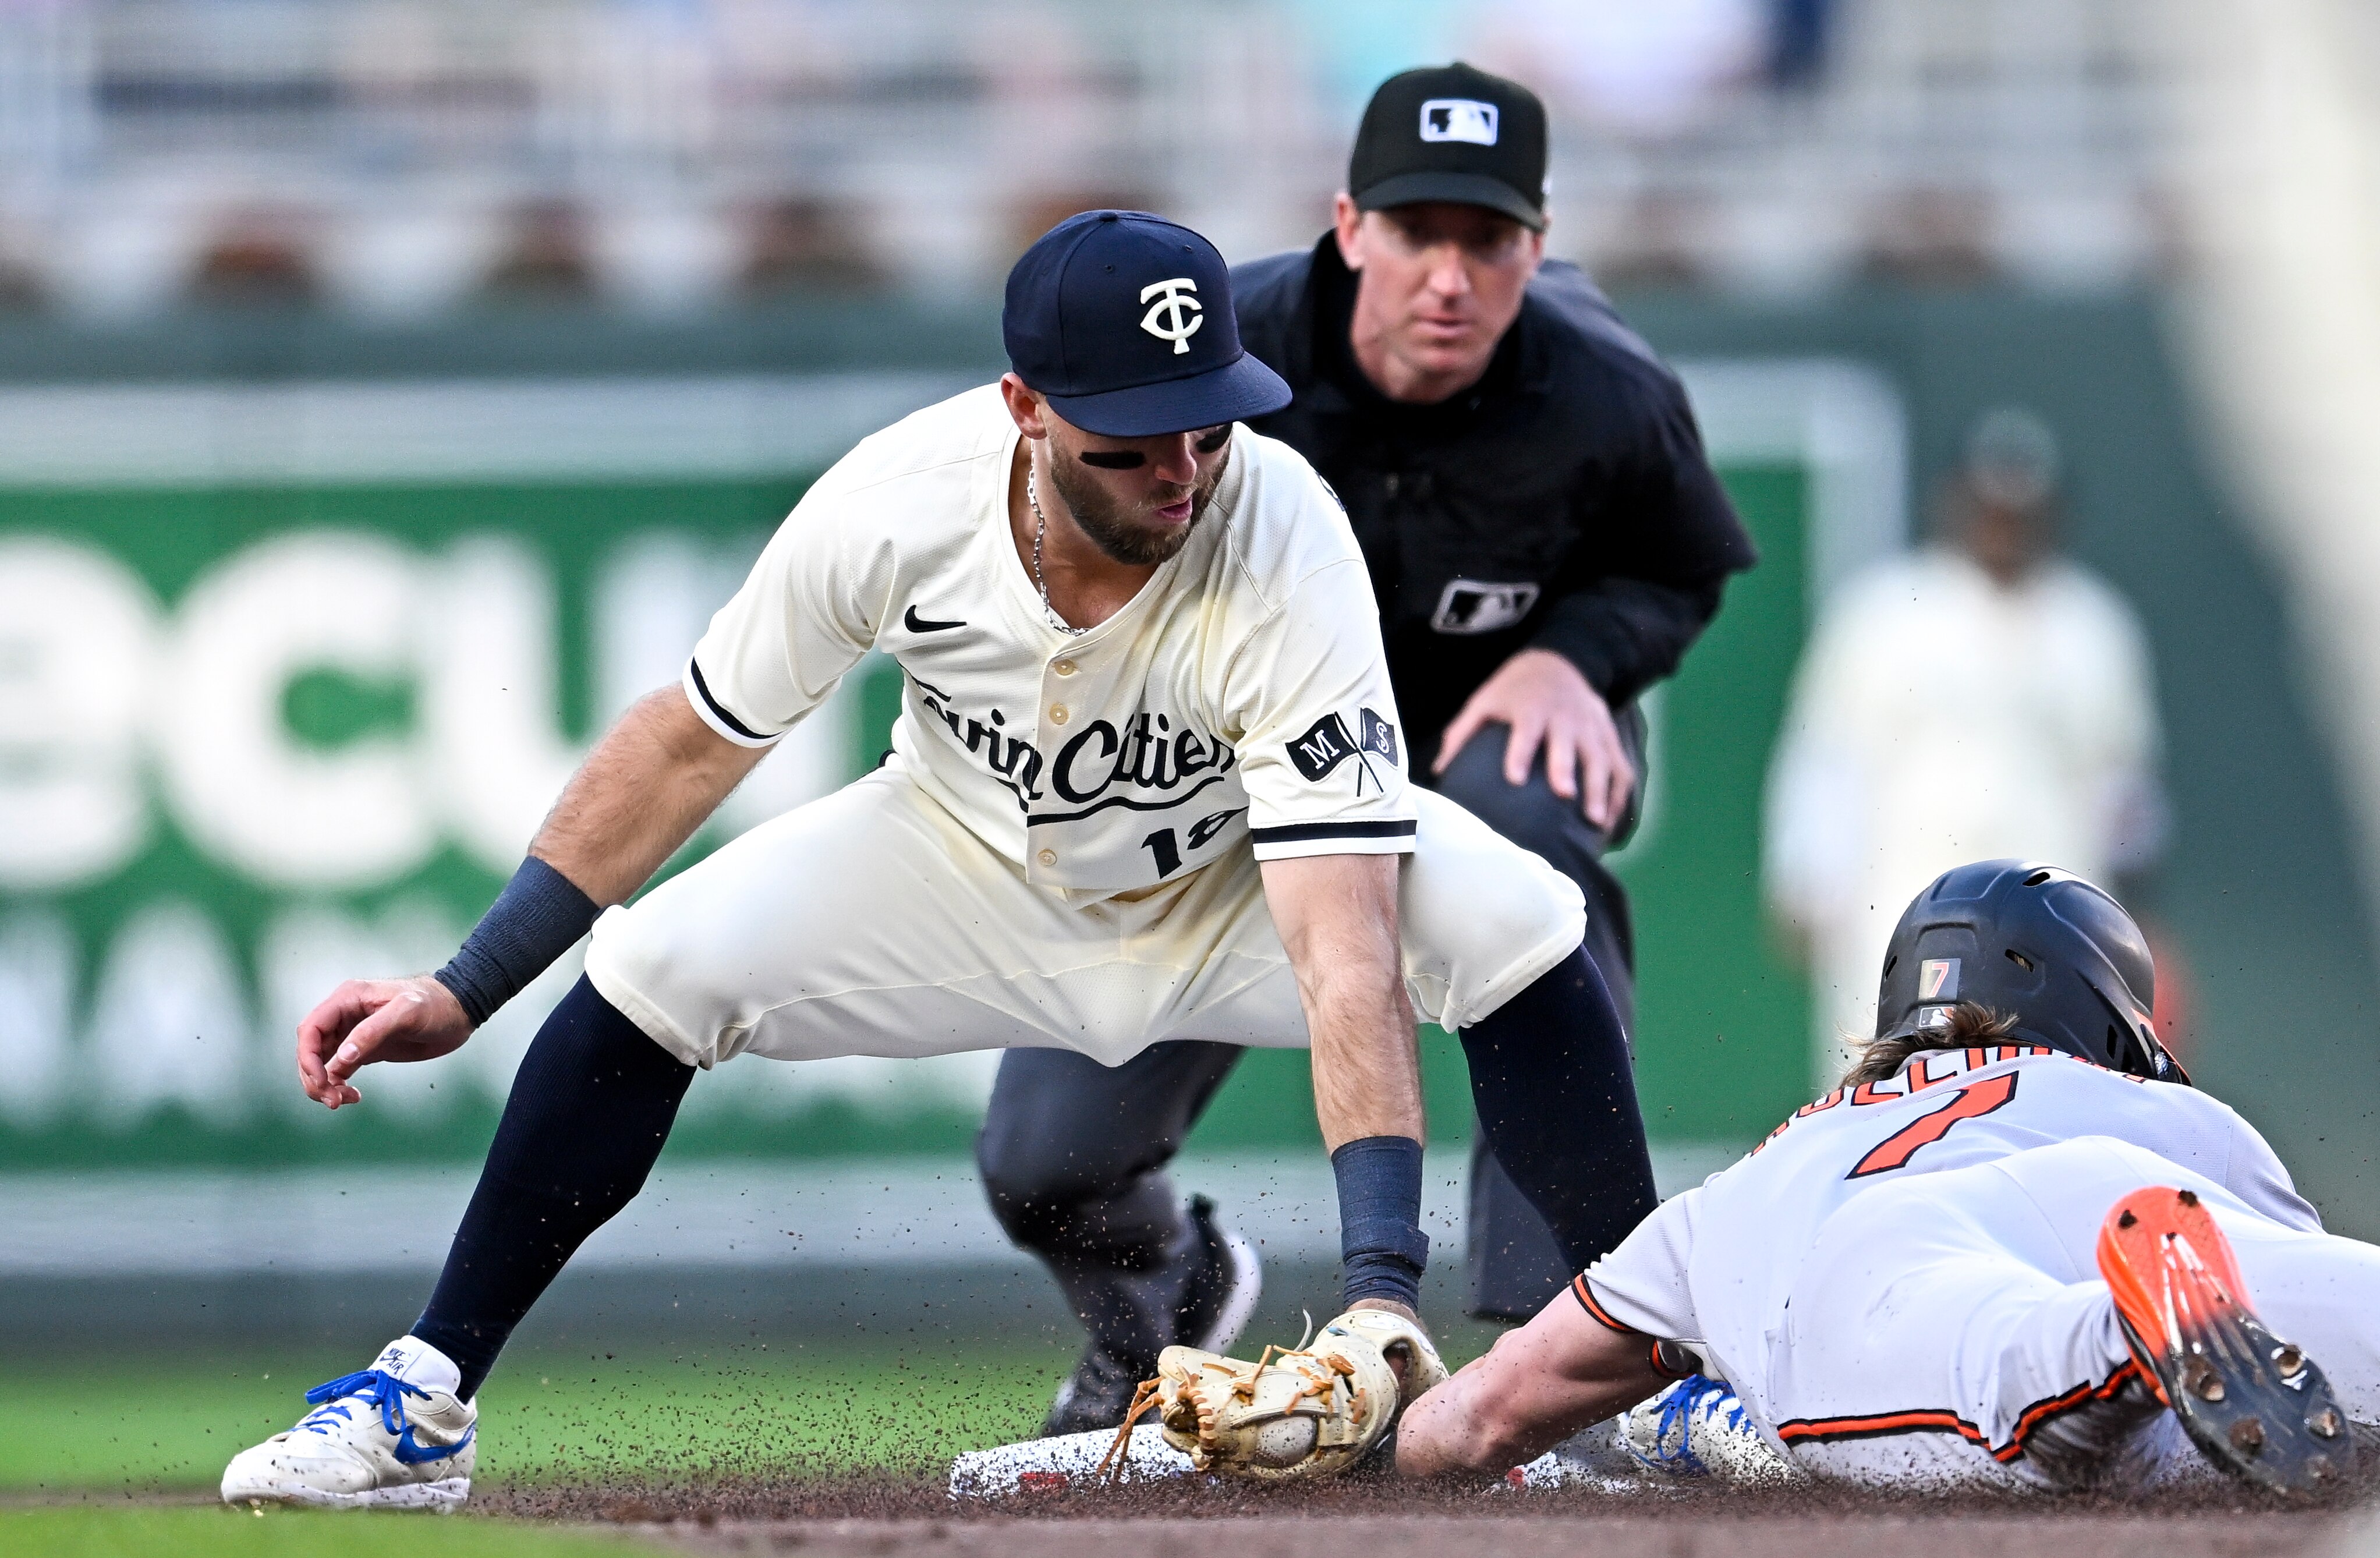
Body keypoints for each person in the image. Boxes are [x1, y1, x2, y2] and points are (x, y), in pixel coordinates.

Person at [215, 209, 1653, 1510]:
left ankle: (1647, 1360)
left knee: (1526, 913)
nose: (1183, 472)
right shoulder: (901, 502)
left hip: (1236, 884)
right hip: (963, 860)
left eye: (1206, 428)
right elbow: (688, 746)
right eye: (1133, 442)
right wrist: (468, 985)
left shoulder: (1281, 532)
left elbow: (1346, 946)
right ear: (1024, 410)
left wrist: (1378, 1292)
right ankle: (424, 1402)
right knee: (651, 965)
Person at [976, 61, 1756, 1431]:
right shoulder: (1223, 360)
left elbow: (1678, 567)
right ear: (1349, 227)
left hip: (1469, 743)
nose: (1448, 276)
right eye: (1417, 232)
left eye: (1488, 239)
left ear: (1538, 244)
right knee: (1045, 1158)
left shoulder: (1606, 389)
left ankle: (1564, 1367)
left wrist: (1577, 658)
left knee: (1533, 817)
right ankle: (1158, 1310)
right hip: (1233, 773)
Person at [1397, 860, 2372, 1496]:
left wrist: (1392, 1439)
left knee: (2008, 1381)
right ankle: (2148, 1331)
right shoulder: (2176, 1113)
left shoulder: (1772, 1164)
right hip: (2139, 1209)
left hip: (1888, 1245)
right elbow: (2291, 1271)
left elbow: (1488, 1409)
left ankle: (2122, 1336)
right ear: (2105, 1018)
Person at [1765, 408, 2167, 1088]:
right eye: (1988, 505)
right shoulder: (1884, 611)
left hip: (2052, 908)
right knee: (1883, 1078)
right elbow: (1827, 758)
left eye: (2019, 508)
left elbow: (2121, 787)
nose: (2002, 524)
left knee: (2047, 1082)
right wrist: (1805, 874)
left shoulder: (2091, 624)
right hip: (1899, 894)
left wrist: (2135, 912)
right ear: (1954, 501)